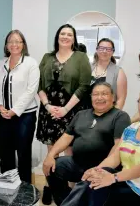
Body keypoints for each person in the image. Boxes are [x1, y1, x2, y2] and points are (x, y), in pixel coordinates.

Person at [73, 86, 140, 206]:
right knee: (93, 180)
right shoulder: (130, 129)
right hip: (127, 181)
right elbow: (115, 157)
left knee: (95, 189)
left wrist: (113, 178)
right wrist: (96, 170)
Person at [42, 82, 131, 205]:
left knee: (88, 188)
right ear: (91, 97)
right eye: (96, 94)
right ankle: (64, 201)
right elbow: (65, 138)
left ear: (113, 97)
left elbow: (118, 147)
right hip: (77, 163)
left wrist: (98, 169)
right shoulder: (81, 115)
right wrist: (50, 155)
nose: (99, 97)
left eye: (104, 94)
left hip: (102, 168)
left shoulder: (120, 116)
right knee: (52, 166)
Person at [37, 24, 92, 204]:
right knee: (52, 153)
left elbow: (84, 86)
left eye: (69, 34)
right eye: (62, 33)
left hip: (71, 110)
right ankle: (53, 189)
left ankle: (72, 196)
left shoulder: (81, 57)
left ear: (74, 39)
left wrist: (65, 109)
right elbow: (39, 85)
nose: (66, 37)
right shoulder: (47, 57)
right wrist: (47, 106)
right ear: (57, 36)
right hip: (49, 111)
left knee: (69, 153)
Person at [0, 30, 40, 183]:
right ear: (6, 46)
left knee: (23, 153)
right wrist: (0, 106)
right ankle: (7, 186)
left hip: (25, 115)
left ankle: (25, 190)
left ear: (23, 44)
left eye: (18, 41)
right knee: (5, 153)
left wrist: (14, 111)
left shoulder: (30, 63)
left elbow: (31, 90)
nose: (14, 44)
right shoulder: (1, 63)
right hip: (4, 114)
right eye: (10, 42)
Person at [84, 38, 127, 110]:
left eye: (108, 49)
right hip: (86, 112)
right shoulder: (88, 68)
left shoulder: (118, 72)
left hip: (107, 114)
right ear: (97, 50)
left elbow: (121, 100)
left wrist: (112, 118)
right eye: (101, 48)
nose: (104, 51)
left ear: (113, 52)